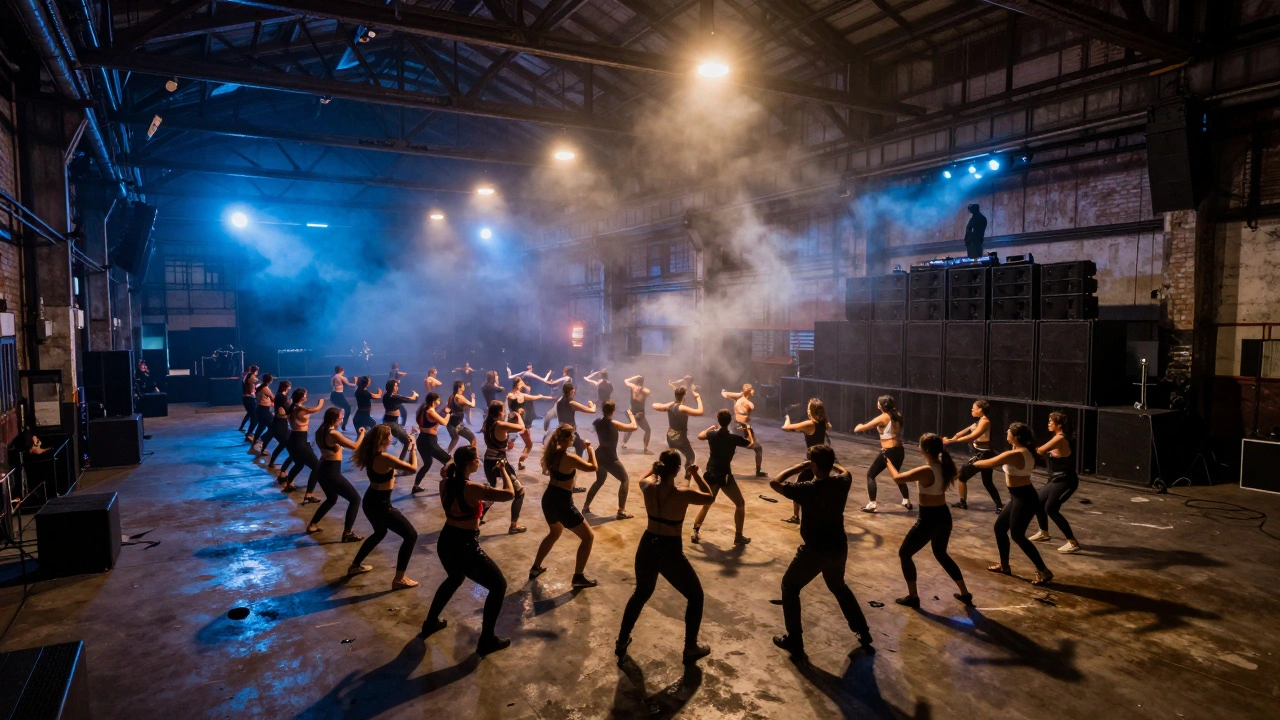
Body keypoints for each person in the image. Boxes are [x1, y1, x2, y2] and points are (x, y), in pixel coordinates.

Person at [769, 444, 874, 661]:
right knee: (839, 587)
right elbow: (845, 471)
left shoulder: (807, 489)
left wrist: (799, 466)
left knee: (790, 586)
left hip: (815, 550)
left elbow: (774, 482)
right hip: (838, 547)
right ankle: (863, 631)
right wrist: (830, 462)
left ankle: (795, 639)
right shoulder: (842, 482)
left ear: (813, 465)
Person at [615, 450, 714, 665]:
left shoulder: (647, 487)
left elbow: (644, 476)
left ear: (660, 466)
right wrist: (696, 475)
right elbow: (710, 497)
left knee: (640, 593)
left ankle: (622, 640)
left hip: (647, 544)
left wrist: (655, 467)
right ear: (678, 469)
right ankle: (690, 647)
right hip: (669, 550)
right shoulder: (683, 493)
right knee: (695, 596)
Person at [420, 446, 515, 656]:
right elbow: (510, 494)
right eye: (477, 459)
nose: (479, 461)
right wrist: (504, 470)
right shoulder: (472, 488)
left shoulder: (444, 483)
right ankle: (486, 640)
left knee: (454, 577)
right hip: (465, 545)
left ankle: (430, 622)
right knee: (499, 585)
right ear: (469, 463)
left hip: (445, 540)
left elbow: (446, 471)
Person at [883, 434, 972, 607]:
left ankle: (913, 596)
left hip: (929, 518)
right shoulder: (943, 466)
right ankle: (965, 593)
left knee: (905, 553)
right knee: (941, 553)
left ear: (923, 449)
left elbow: (898, 478)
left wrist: (887, 462)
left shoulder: (926, 470)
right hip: (943, 516)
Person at [971, 422, 1053, 585]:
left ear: (1015, 437)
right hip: (1018, 496)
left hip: (1025, 497)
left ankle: (1043, 570)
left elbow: (990, 463)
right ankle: (1004, 565)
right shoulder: (1018, 451)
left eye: (1009, 432)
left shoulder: (1016, 454)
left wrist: (974, 462)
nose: (1006, 433)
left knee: (1017, 535)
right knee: (999, 528)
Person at [348, 425, 421, 589]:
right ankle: (399, 579)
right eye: (390, 436)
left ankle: (354, 566)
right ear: (383, 439)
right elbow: (412, 468)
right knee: (411, 535)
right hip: (381, 504)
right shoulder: (384, 457)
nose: (392, 438)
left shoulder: (371, 453)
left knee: (380, 532)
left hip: (371, 500)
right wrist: (413, 449)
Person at [529, 424, 599, 588]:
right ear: (567, 439)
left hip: (549, 499)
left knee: (554, 532)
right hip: (562, 502)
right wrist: (591, 450)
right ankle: (578, 577)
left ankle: (535, 568)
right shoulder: (569, 458)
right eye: (572, 436)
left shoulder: (552, 454)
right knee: (588, 537)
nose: (573, 439)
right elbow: (593, 467)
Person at [690, 409, 753, 545]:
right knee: (740, 504)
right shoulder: (732, 438)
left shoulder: (712, 434)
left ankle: (695, 531)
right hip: (724, 474)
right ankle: (738, 536)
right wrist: (748, 431)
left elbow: (700, 436)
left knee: (707, 504)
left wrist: (711, 427)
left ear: (718, 420)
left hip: (711, 472)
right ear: (730, 421)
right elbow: (751, 445)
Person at [306, 408, 365, 543]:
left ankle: (312, 525)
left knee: (332, 498)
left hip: (322, 469)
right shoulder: (333, 434)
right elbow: (355, 446)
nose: (341, 419)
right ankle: (347, 533)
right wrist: (362, 433)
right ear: (334, 419)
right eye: (340, 417)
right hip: (331, 472)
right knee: (355, 499)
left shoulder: (320, 431)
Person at [1030, 412, 1081, 553]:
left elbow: (1040, 451)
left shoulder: (1060, 438)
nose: (1048, 424)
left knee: (1051, 508)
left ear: (1058, 425)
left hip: (1066, 480)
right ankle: (1044, 532)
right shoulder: (1056, 437)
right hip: (1055, 479)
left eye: (1050, 421)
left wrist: (1024, 444)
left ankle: (1073, 542)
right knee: (1037, 502)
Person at [854, 395, 912, 513]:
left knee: (871, 474)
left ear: (880, 405)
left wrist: (858, 426)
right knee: (897, 475)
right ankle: (906, 500)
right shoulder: (897, 415)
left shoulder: (883, 417)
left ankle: (872, 504)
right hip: (899, 450)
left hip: (888, 452)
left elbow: (861, 428)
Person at [583, 400, 639, 519]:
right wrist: (631, 415)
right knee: (624, 480)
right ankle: (621, 511)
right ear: (613, 411)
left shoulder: (597, 422)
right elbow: (634, 427)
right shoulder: (614, 424)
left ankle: (585, 507)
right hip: (610, 457)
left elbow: (591, 430)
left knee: (599, 481)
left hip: (599, 455)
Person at [944, 399, 1002, 512]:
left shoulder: (985, 421)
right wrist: (953, 438)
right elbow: (961, 433)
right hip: (983, 454)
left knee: (962, 476)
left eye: (973, 408)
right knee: (987, 482)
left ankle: (963, 502)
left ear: (980, 409)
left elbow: (972, 436)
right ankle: (999, 506)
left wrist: (951, 441)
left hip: (984, 455)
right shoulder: (978, 422)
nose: (972, 410)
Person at [480, 400, 528, 534]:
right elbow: (521, 428)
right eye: (504, 410)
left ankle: (478, 516)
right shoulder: (500, 425)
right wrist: (518, 416)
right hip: (500, 463)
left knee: (492, 492)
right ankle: (514, 525)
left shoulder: (486, 422)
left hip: (489, 460)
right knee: (520, 492)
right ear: (500, 412)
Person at [779, 398, 831, 524]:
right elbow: (829, 426)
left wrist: (787, 417)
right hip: (822, 459)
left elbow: (785, 428)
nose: (807, 411)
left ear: (811, 411)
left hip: (812, 461)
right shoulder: (823, 423)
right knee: (817, 488)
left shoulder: (810, 424)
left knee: (797, 488)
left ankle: (798, 516)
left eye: (808, 408)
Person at [282, 388, 324, 500]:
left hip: (294, 439)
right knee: (317, 467)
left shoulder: (293, 406)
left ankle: (288, 484)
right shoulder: (299, 409)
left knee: (299, 464)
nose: (307, 396)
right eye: (305, 394)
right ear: (301, 397)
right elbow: (316, 409)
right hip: (299, 441)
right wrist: (321, 402)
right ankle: (309, 494)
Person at [721, 384, 766, 478]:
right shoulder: (749, 403)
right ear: (751, 392)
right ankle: (758, 470)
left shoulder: (738, 398)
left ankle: (723, 468)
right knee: (758, 448)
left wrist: (730, 393)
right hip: (743, 427)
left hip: (736, 426)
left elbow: (724, 394)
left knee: (731, 447)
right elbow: (725, 394)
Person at [506, 378, 552, 470]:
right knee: (509, 443)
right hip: (513, 423)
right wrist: (517, 412)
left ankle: (520, 461)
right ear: (518, 384)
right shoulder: (510, 395)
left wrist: (545, 397)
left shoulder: (522, 395)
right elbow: (509, 408)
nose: (523, 384)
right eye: (521, 382)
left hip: (521, 424)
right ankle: (504, 462)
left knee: (529, 444)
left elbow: (535, 397)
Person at [411, 392, 453, 493]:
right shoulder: (430, 410)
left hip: (421, 440)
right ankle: (449, 485)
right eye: (438, 400)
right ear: (434, 401)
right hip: (429, 442)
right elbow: (444, 422)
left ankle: (415, 486)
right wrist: (448, 413)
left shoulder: (423, 408)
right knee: (450, 462)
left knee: (427, 463)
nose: (439, 402)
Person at [652, 386, 703, 465]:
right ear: (684, 395)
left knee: (671, 457)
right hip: (680, 438)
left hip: (670, 436)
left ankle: (664, 472)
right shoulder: (682, 407)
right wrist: (698, 397)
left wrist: (672, 402)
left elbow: (654, 405)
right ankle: (688, 471)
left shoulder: (669, 406)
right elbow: (700, 411)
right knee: (691, 456)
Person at [553, 383, 596, 459]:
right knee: (579, 446)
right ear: (570, 392)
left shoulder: (559, 400)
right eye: (573, 392)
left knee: (577, 445)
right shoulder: (571, 403)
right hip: (568, 431)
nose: (574, 394)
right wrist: (592, 404)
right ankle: (576, 462)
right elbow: (592, 411)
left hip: (562, 429)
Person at [381, 379, 420, 463]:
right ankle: (400, 463)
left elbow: (405, 398)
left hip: (390, 421)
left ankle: (398, 461)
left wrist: (412, 396)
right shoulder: (394, 397)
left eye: (397, 386)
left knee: (386, 442)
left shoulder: (387, 396)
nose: (396, 387)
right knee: (407, 441)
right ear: (390, 387)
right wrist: (415, 395)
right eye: (395, 386)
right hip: (391, 424)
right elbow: (412, 400)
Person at [260, 379, 293, 475]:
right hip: (281, 424)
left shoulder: (279, 395)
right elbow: (287, 410)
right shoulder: (282, 397)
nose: (290, 388)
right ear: (286, 387)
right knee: (286, 444)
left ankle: (272, 462)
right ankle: (283, 468)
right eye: (289, 387)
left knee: (283, 444)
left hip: (278, 422)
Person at [620, 375, 652, 454]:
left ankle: (623, 443)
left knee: (630, 428)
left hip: (631, 412)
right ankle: (645, 449)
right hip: (639, 414)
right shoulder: (645, 390)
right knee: (648, 430)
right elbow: (648, 392)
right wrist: (642, 391)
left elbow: (626, 380)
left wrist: (634, 377)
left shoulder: (632, 386)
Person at [539, 366, 576, 431]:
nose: (563, 371)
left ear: (567, 372)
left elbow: (551, 384)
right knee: (568, 417)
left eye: (564, 370)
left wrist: (548, 375)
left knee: (555, 416)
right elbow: (557, 386)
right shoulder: (570, 379)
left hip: (563, 401)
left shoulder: (566, 378)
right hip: (566, 400)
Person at [445, 381, 476, 453]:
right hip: (457, 424)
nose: (464, 387)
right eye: (463, 385)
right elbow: (472, 405)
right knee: (473, 438)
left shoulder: (451, 396)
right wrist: (473, 398)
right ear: (459, 387)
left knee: (455, 438)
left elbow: (448, 408)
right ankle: (473, 455)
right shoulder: (460, 397)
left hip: (450, 423)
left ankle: (448, 454)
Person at [249, 373, 276, 450]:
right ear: (270, 380)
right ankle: (261, 440)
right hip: (264, 410)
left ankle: (255, 442)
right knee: (273, 427)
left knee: (261, 426)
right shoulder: (265, 389)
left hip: (260, 409)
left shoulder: (260, 387)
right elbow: (273, 398)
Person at [329, 366, 356, 432]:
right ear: (342, 370)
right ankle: (343, 424)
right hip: (338, 395)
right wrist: (356, 381)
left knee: (340, 408)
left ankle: (335, 423)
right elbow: (349, 384)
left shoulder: (334, 377)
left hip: (333, 394)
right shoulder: (341, 377)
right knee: (348, 408)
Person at [239, 365, 260, 437]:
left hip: (247, 398)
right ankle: (249, 432)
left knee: (250, 414)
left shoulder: (247, 376)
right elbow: (256, 381)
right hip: (249, 398)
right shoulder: (251, 376)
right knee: (254, 417)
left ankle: (242, 428)